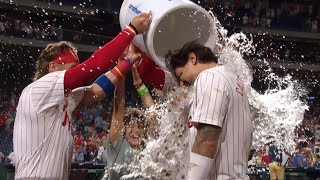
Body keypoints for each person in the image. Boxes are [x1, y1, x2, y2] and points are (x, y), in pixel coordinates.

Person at [13, 11, 152, 180]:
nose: (76, 71)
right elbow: (94, 66)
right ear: (53, 67)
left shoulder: (61, 98)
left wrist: (127, 61)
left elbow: (96, 91)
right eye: (72, 67)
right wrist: (130, 30)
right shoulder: (38, 89)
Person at [166, 41, 253, 179]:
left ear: (192, 59)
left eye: (181, 74)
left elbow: (207, 138)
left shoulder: (209, 77)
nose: (182, 83)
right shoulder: (234, 79)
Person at [104, 63, 157, 180]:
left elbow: (152, 113)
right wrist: (121, 72)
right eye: (131, 126)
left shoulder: (147, 146)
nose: (136, 130)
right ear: (123, 129)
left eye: (140, 126)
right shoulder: (117, 144)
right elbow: (119, 106)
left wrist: (140, 85)